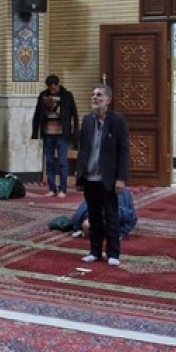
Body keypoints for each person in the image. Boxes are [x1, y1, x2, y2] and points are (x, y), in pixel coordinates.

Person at [74, 84, 130, 267]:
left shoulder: (117, 121)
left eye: (99, 95)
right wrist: (79, 176)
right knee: (94, 215)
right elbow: (83, 150)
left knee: (111, 216)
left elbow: (123, 151)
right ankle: (95, 251)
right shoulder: (88, 120)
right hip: (90, 177)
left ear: (108, 100)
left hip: (108, 178)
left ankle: (113, 253)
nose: (95, 98)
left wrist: (121, 178)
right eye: (93, 95)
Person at [31, 75, 79, 198]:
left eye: (54, 87)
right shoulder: (43, 95)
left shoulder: (67, 96)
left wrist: (75, 134)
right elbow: (38, 114)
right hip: (48, 133)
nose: (52, 90)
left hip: (61, 134)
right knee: (50, 161)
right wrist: (35, 132)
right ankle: (52, 188)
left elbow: (73, 114)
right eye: (49, 88)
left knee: (62, 161)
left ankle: (63, 189)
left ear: (58, 84)